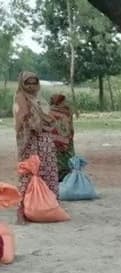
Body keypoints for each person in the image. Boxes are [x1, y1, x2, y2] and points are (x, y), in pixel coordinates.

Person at [14, 71, 59, 225]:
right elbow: (22, 118)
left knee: (46, 172)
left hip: (44, 140)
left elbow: (48, 118)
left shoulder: (38, 99)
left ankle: (45, 208)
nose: (31, 86)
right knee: (28, 174)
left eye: (34, 83)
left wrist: (44, 120)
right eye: (28, 83)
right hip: (30, 141)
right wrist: (32, 122)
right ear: (22, 84)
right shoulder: (21, 97)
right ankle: (21, 212)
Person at [48, 94, 74, 181]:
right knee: (63, 159)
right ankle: (65, 178)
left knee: (58, 159)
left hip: (55, 140)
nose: (65, 103)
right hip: (65, 140)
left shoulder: (49, 111)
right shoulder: (65, 111)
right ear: (59, 102)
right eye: (63, 101)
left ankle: (61, 177)